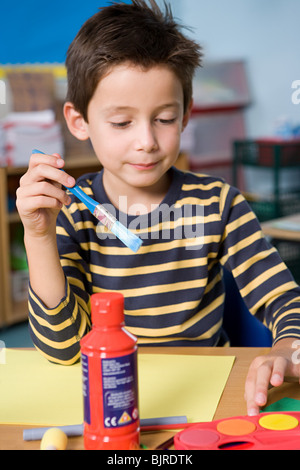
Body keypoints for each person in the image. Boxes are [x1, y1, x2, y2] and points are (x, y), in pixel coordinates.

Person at [16, 0, 300, 416]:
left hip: (207, 398)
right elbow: (63, 351)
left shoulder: (219, 204)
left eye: (164, 118)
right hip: (111, 398)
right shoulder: (71, 213)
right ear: (79, 122)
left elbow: (285, 300)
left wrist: (287, 348)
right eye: (121, 123)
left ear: (186, 115)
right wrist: (38, 236)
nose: (146, 140)